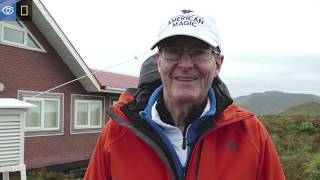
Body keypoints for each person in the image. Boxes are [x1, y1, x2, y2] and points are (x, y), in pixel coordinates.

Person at [84, 9, 286, 180]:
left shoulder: (251, 134)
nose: (186, 64)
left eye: (199, 52)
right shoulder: (116, 134)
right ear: (159, 61)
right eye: (173, 51)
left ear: (218, 64)